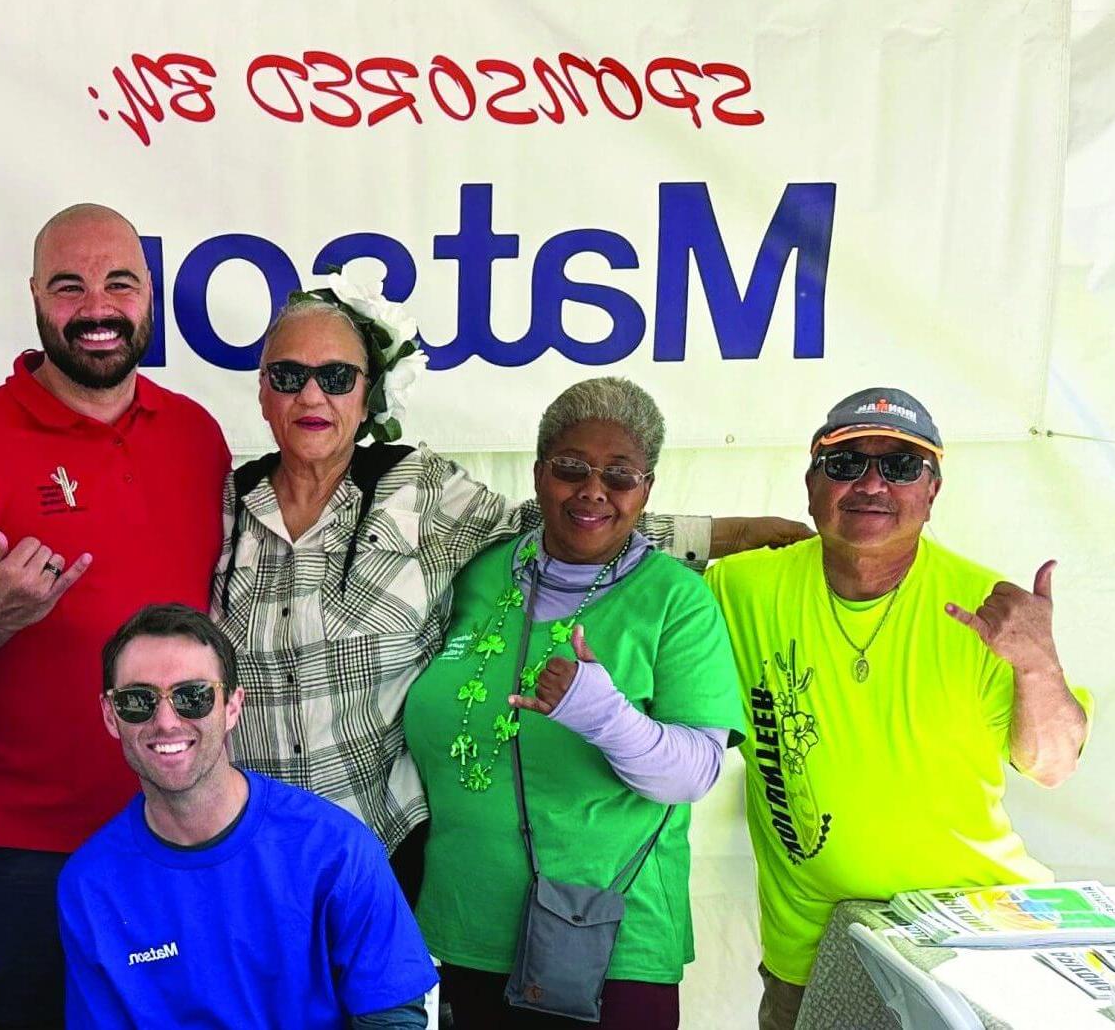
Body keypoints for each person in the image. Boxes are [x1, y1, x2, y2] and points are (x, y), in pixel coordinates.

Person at [215, 287, 806, 900]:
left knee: (375, 1001)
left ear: (369, 395)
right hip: (251, 845)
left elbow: (562, 517)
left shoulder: (419, 488)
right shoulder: (222, 505)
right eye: (288, 375)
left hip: (380, 845)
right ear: (261, 392)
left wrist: (729, 534)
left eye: (337, 376)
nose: (312, 395)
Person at [0, 203, 231, 1028]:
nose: (98, 308)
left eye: (119, 283)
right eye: (70, 286)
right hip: (29, 845)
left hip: (183, 824)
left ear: (150, 295)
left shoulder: (197, 436)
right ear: (35, 297)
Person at [702, 387, 1091, 1030]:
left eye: (902, 466)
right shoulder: (738, 587)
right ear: (811, 483)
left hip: (967, 942)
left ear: (932, 490)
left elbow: (1053, 765)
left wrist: (1037, 665)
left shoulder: (986, 605)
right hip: (812, 955)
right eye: (846, 462)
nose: (871, 484)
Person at [402, 377, 746, 1028]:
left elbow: (696, 772)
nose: (593, 491)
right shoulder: (480, 573)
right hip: (466, 925)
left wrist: (603, 715)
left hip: (606, 937)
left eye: (620, 476)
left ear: (647, 491)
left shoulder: (677, 599)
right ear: (538, 475)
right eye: (570, 469)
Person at [59, 603, 437, 1029]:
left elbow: (393, 1017)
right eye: (137, 701)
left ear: (232, 706)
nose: (166, 721)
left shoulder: (336, 849)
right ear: (111, 715)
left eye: (192, 697)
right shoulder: (89, 883)